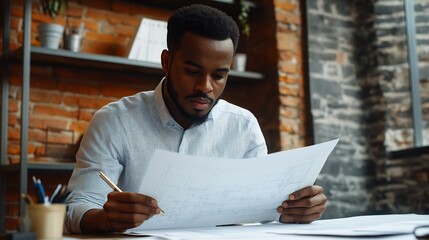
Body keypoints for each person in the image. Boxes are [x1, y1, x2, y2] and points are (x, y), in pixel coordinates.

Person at [65, 4, 327, 234]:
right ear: (166, 62)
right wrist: (106, 220)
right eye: (192, 71)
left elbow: (259, 215)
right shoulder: (115, 121)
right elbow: (77, 207)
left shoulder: (243, 126)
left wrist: (295, 210)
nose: (206, 87)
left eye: (219, 75)